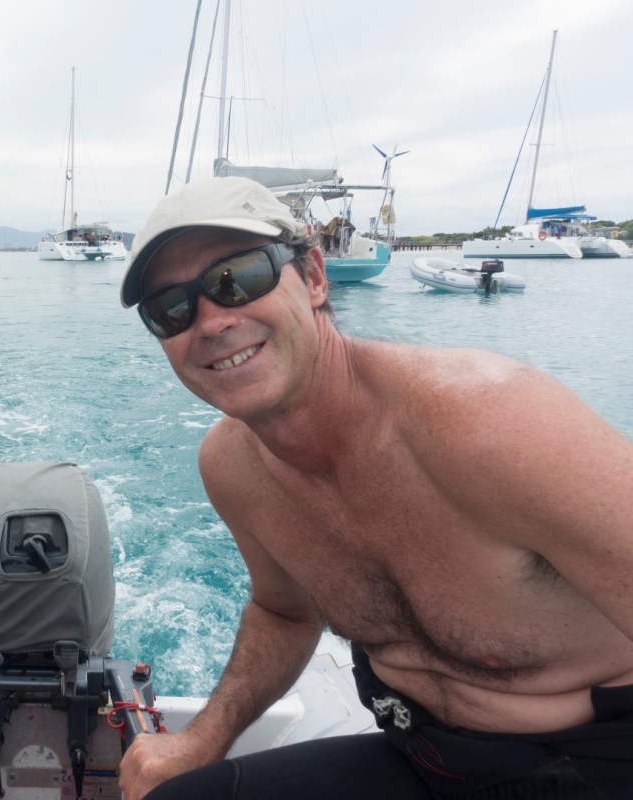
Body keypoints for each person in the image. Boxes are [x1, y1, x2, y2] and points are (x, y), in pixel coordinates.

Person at [115, 177, 633, 799]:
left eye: (238, 277)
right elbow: (284, 613)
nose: (211, 321)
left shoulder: (493, 423)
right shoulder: (232, 466)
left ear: (313, 277)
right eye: (170, 309)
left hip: (595, 762)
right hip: (422, 754)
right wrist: (201, 740)